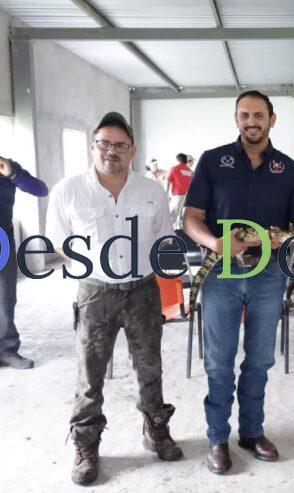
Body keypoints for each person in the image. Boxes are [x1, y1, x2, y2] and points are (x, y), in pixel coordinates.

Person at [46, 112, 183, 486]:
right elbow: (59, 241)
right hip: (95, 293)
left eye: (120, 145)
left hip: (143, 291)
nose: (112, 151)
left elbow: (163, 238)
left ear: (132, 151)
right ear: (93, 146)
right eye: (104, 143)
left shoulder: (151, 190)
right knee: (89, 374)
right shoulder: (68, 190)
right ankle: (86, 445)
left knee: (150, 367)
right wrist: (93, 265)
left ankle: (155, 429)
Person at [183, 90, 294, 475]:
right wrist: (215, 243)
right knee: (219, 361)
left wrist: (284, 239)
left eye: (258, 115)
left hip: (268, 275)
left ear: (272, 119)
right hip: (220, 273)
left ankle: (251, 431)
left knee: (260, 359)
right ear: (236, 119)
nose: (251, 121)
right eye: (244, 115)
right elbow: (191, 218)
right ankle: (218, 437)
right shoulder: (212, 161)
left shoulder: (288, 170)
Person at [0, 156, 48, 369]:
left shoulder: (7, 167)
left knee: (5, 298)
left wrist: (12, 174)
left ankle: (6, 350)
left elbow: (40, 189)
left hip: (2, 240)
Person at [166, 153, 193, 227]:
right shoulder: (190, 172)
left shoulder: (174, 169)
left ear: (177, 160)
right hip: (188, 197)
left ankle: (168, 231)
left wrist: (165, 194)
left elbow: (167, 182)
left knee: (171, 216)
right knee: (181, 217)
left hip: (177, 196)